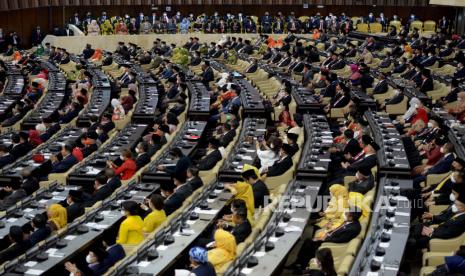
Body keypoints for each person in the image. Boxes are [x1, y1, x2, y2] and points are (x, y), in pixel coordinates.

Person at [291, 209, 362, 270]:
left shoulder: (353, 228)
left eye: (348, 212)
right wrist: (328, 232)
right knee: (309, 241)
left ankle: (300, 264)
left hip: (331, 243)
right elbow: (338, 230)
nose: (346, 213)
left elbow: (340, 240)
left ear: (351, 216)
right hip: (329, 236)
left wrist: (324, 239)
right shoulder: (350, 222)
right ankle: (299, 262)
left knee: (309, 242)